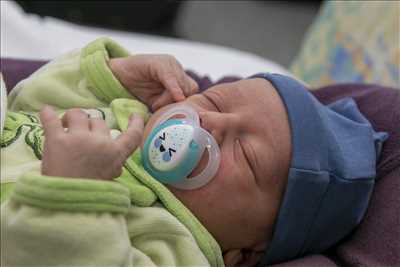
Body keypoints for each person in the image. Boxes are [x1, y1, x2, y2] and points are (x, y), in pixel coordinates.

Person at [0, 38, 387, 267]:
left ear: (245, 253)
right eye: (215, 102)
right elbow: (30, 102)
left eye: (248, 155)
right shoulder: (126, 115)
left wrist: (76, 192)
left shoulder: (176, 245)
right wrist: (113, 75)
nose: (213, 125)